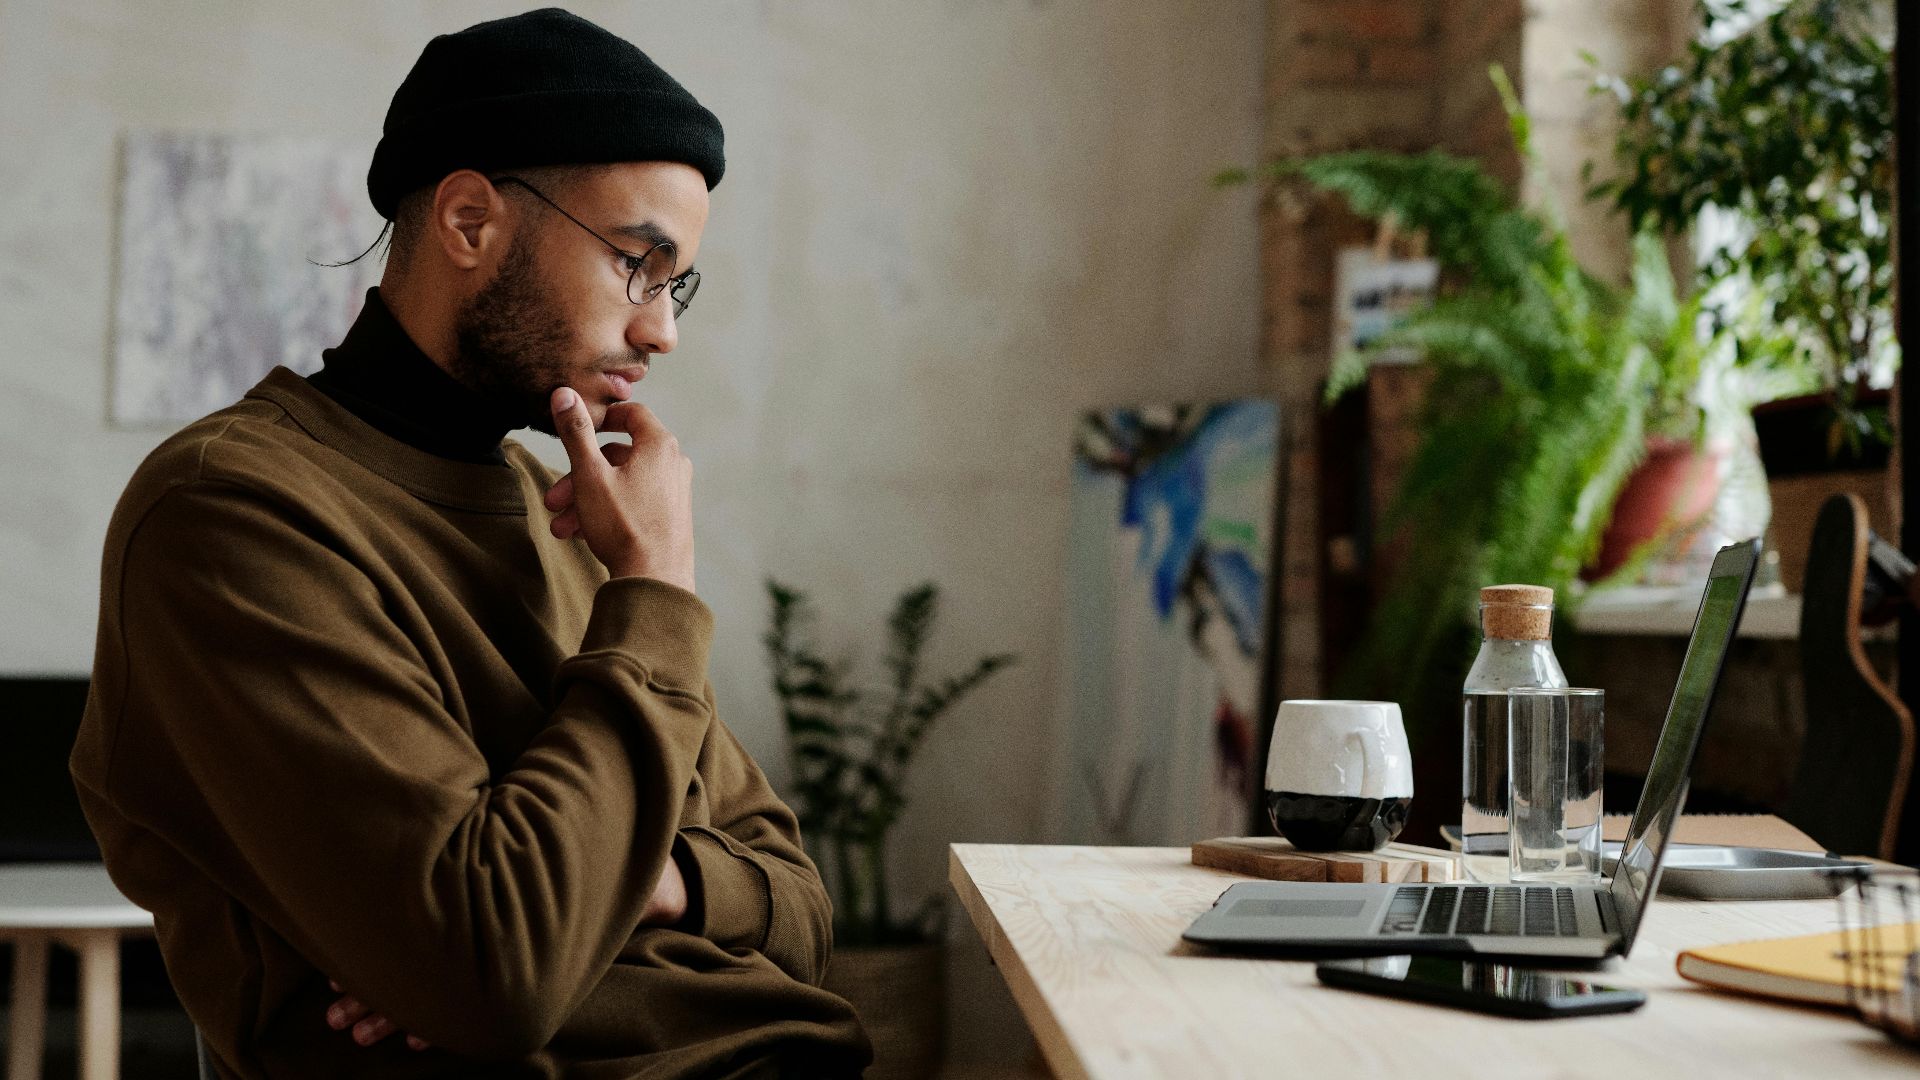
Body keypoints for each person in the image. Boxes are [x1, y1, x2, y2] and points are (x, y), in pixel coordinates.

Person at [69, 8, 872, 1078]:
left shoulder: (574, 513)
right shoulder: (230, 515)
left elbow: (804, 908)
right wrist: (655, 595)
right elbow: (495, 969)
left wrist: (638, 879)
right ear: (467, 221)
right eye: (639, 262)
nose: (663, 329)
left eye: (677, 285)